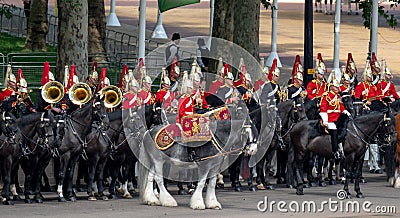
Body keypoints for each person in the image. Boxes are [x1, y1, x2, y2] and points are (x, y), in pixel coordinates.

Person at [320, 71, 351, 159]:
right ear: (331, 87)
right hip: (329, 118)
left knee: (345, 128)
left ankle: (341, 147)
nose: (338, 88)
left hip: (338, 117)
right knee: (334, 129)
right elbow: (323, 108)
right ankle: (335, 151)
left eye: (338, 86)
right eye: (336, 86)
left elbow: (340, 106)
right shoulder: (326, 95)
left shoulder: (337, 96)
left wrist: (345, 112)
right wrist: (325, 119)